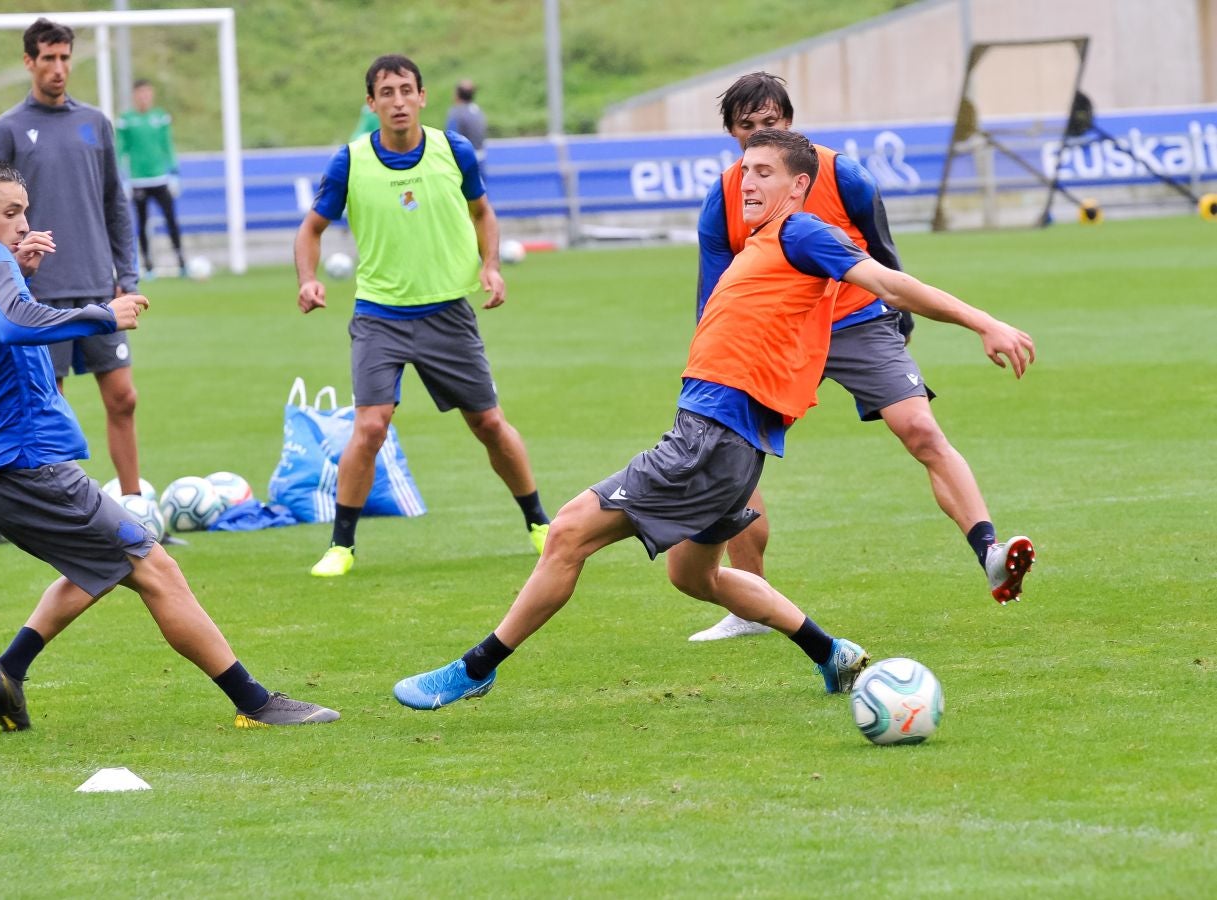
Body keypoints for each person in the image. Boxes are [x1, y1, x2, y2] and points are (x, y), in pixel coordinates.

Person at [392, 129, 1033, 711]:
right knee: (694, 576)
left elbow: (890, 284)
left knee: (566, 533)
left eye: (764, 172)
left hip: (710, 439)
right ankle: (832, 654)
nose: (748, 181)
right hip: (723, 443)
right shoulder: (759, 242)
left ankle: (477, 667)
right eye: (744, 170)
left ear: (799, 186)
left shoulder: (803, 232)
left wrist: (985, 322)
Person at [0, 158, 339, 730]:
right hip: (29, 460)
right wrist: (102, 314)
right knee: (154, 566)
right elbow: (14, 323)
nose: (22, 224)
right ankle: (256, 702)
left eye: (25, 211)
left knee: (97, 565)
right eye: (10, 213)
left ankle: (8, 672)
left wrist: (16, 272)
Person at [688, 73, 1037, 643]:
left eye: (769, 124)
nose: (757, 136)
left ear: (790, 124)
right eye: (746, 127)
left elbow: (883, 258)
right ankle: (750, 603)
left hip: (852, 318)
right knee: (734, 460)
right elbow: (716, 293)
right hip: (775, 334)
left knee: (921, 430)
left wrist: (903, 321)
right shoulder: (726, 195)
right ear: (730, 133)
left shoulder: (842, 174)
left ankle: (991, 553)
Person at [293, 54, 550, 577]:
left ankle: (539, 523)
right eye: (385, 93)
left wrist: (492, 267)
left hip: (447, 313)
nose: (398, 101)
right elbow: (311, 228)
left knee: (489, 423)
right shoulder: (350, 161)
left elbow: (483, 212)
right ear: (371, 103)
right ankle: (341, 546)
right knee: (370, 426)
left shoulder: (452, 150)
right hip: (379, 315)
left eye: (406, 90)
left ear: (422, 96)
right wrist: (308, 279)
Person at [0, 18, 147, 501]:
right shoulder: (10, 129)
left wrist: (127, 275)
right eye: (48, 59)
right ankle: (60, 511)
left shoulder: (95, 122)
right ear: (29, 62)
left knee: (124, 398)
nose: (58, 68)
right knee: (48, 407)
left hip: (99, 286)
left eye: (64, 58)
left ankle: (135, 505)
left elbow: (115, 201)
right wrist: (11, 279)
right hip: (41, 293)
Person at [116, 77, 187, 278]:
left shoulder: (160, 117)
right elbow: (120, 150)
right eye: (141, 93)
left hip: (161, 178)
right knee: (143, 221)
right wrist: (123, 178)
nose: (144, 97)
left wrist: (174, 173)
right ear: (135, 96)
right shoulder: (126, 120)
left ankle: (181, 260)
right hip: (139, 180)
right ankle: (148, 265)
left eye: (148, 93)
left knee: (171, 220)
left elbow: (167, 146)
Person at [445, 79, 487, 174]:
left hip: (464, 162)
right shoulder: (478, 111)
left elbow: (451, 138)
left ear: (457, 94)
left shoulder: (456, 112)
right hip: (480, 159)